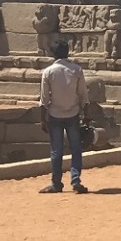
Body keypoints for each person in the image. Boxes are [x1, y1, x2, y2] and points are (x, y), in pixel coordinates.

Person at [39, 38, 90, 194]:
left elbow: (44, 100)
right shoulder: (76, 70)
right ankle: (75, 179)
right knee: (76, 148)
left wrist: (43, 119)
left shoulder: (48, 72)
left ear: (53, 54)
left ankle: (56, 183)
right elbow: (83, 96)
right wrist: (86, 115)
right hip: (73, 114)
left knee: (56, 150)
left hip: (55, 114)